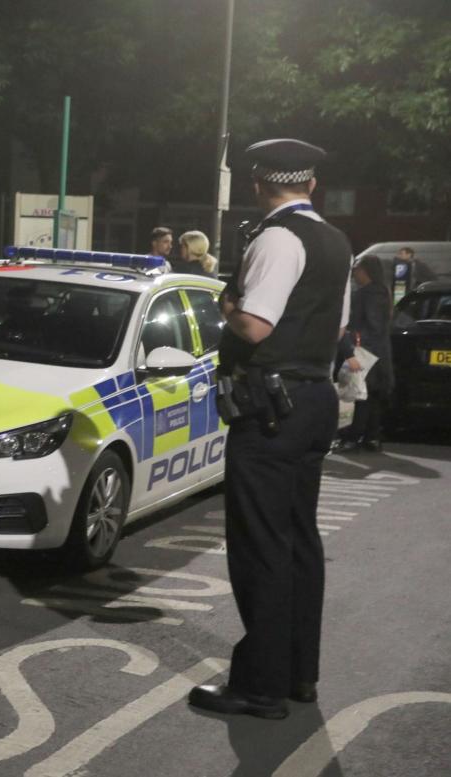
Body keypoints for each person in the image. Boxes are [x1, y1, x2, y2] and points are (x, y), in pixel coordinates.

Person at [187, 138, 352, 720]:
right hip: (311, 401)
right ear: (310, 184)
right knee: (299, 542)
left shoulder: (277, 239)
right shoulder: (335, 241)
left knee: (261, 549)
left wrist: (227, 304)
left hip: (271, 408)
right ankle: (299, 676)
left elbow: (254, 326)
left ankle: (260, 686)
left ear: (259, 184)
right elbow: (336, 333)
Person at [336, 255, 394, 452]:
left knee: (358, 395)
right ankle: (372, 437)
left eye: (357, 269)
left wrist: (354, 345)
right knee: (373, 396)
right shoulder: (384, 292)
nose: (354, 272)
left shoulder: (366, 294)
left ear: (366, 271)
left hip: (365, 353)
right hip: (380, 352)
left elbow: (372, 324)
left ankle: (352, 437)